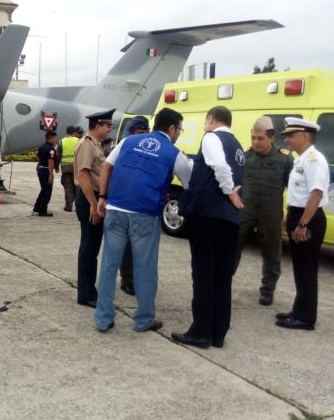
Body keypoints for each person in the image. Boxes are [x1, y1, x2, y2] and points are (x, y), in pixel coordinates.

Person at [94, 108, 191, 332]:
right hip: (145, 215)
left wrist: (103, 196)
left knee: (109, 264)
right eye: (179, 129)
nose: (179, 134)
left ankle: (103, 318)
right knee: (145, 268)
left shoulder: (128, 142)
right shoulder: (174, 153)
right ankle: (143, 319)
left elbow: (107, 165)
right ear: (172, 128)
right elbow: (189, 184)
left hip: (116, 208)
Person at [172, 106, 244, 349]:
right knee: (222, 276)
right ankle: (217, 333)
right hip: (230, 221)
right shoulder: (238, 145)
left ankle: (200, 332)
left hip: (209, 217)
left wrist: (228, 191)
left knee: (203, 275)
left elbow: (219, 167)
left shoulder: (212, 137)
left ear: (211, 119)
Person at [276, 117, 329, 330]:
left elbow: (316, 194)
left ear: (305, 135)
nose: (287, 139)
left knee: (306, 269)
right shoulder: (301, 160)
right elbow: (299, 193)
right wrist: (290, 216)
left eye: (291, 135)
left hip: (309, 219)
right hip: (299, 215)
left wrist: (302, 224)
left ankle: (305, 318)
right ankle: (299, 310)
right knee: (300, 268)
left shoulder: (314, 160)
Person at [233, 116, 292, 306]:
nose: (256, 142)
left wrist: (288, 212)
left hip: (270, 212)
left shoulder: (284, 158)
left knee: (272, 253)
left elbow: (294, 188)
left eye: (260, 138)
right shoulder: (246, 157)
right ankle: (224, 282)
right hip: (245, 210)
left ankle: (267, 290)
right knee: (233, 248)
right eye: (253, 138)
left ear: (272, 138)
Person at [74, 109, 114, 307]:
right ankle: (87, 294)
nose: (110, 129)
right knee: (89, 249)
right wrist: (92, 203)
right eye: (108, 126)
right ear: (98, 125)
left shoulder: (95, 145)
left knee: (91, 247)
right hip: (90, 199)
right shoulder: (87, 145)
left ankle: (88, 291)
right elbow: (83, 176)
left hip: (94, 199)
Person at [118, 115, 151, 296]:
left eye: (147, 131)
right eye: (141, 131)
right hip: (125, 203)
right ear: (132, 132)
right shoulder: (124, 148)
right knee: (128, 245)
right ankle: (127, 280)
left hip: (142, 204)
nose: (144, 135)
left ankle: (136, 278)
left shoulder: (146, 150)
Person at [33, 130, 58, 217]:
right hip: (46, 170)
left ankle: (37, 207)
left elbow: (38, 156)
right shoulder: (51, 150)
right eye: (55, 138)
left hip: (40, 169)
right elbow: (50, 162)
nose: (56, 140)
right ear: (52, 138)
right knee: (47, 191)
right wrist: (51, 175)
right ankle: (43, 210)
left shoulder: (41, 147)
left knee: (44, 189)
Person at [56, 126, 81, 212]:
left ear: (66, 132)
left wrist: (56, 166)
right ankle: (78, 206)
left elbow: (58, 155)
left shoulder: (61, 141)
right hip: (77, 168)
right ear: (74, 132)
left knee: (68, 187)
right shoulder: (78, 141)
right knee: (77, 187)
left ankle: (68, 206)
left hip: (65, 168)